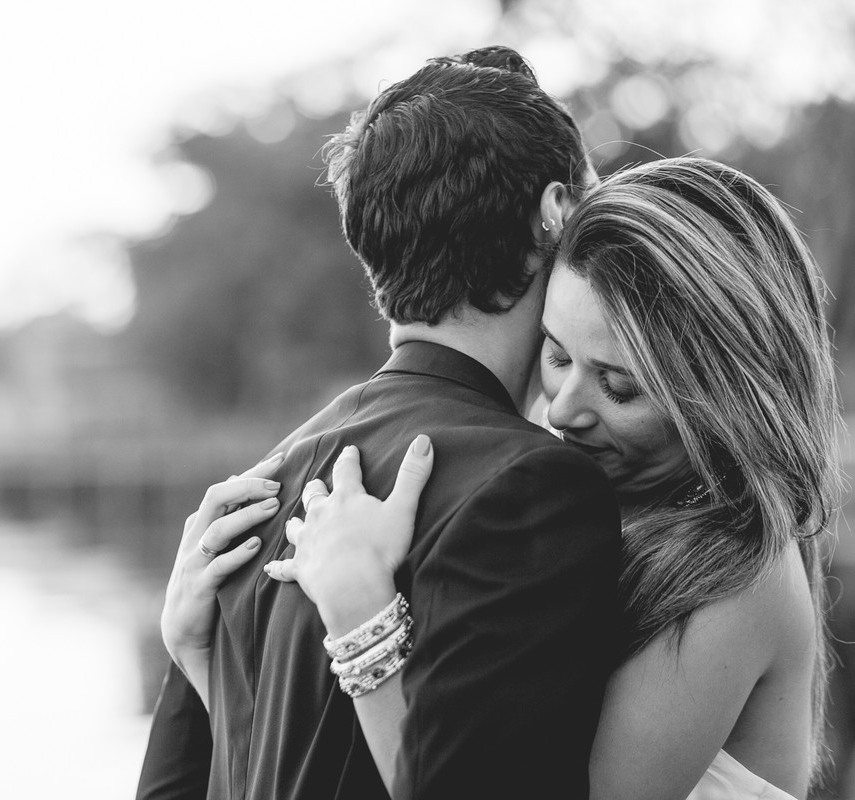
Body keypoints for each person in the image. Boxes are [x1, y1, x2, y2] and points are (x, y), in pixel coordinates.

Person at [191, 157, 841, 800]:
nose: (563, 409)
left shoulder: (740, 575)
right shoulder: (579, 520)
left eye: (618, 386)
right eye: (556, 355)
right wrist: (201, 659)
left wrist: (361, 613)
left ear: (724, 397)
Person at [137, 47, 623, 800]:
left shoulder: (263, 488)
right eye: (595, 198)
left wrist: (190, 666)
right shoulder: (534, 488)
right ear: (556, 212)